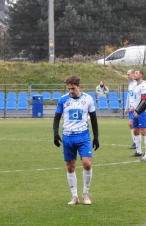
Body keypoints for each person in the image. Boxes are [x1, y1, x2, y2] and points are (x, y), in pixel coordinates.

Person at [53, 75, 99, 205]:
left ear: (79, 86)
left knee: (87, 164)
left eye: (73, 88)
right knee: (70, 167)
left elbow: (94, 119)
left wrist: (96, 137)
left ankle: (85, 193)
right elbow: (56, 118)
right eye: (69, 88)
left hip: (83, 136)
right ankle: (74, 197)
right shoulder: (63, 100)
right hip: (68, 136)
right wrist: (55, 134)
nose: (71, 91)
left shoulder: (88, 99)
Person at [132, 70, 146, 157]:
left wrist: (138, 111)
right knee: (135, 130)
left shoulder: (143, 85)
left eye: (136, 73)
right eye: (134, 73)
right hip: (136, 110)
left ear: (141, 75)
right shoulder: (136, 85)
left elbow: (143, 100)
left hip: (141, 111)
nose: (134, 74)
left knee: (143, 131)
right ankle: (139, 151)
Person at [124, 69, 137, 149]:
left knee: (131, 124)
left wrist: (133, 106)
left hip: (135, 107)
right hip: (130, 107)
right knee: (131, 124)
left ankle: (136, 142)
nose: (127, 76)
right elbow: (129, 97)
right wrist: (126, 107)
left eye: (128, 74)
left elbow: (137, 96)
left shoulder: (136, 84)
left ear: (133, 74)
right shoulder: (130, 85)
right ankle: (136, 142)